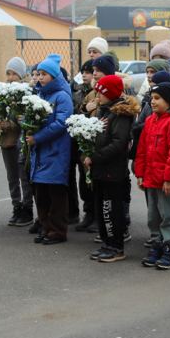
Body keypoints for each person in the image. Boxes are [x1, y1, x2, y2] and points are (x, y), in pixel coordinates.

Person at [85, 74, 139, 262]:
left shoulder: (120, 114)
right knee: (101, 208)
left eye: (100, 93)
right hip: (101, 170)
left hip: (112, 171)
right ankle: (107, 243)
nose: (97, 96)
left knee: (110, 209)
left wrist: (95, 157)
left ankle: (116, 246)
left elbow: (119, 143)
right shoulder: (104, 111)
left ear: (111, 94)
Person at [135, 74, 170, 270]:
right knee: (153, 216)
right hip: (151, 178)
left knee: (169, 214)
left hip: (166, 180)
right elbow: (142, 149)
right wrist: (140, 174)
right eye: (152, 99)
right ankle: (157, 244)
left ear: (168, 100)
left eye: (157, 99)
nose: (153, 102)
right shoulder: (150, 120)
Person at [28, 55, 74, 245]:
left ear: (54, 76)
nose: (40, 77)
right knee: (41, 193)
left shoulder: (62, 96)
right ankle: (46, 227)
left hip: (55, 151)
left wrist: (37, 137)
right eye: (38, 74)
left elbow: (61, 123)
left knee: (55, 194)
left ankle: (58, 230)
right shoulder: (40, 95)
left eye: (44, 74)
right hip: (39, 152)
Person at [0, 56, 35, 227]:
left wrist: (14, 119)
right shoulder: (3, 91)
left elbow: (28, 117)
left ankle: (27, 208)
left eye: (13, 74)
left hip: (21, 140)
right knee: (11, 177)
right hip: (6, 140)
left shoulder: (27, 92)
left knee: (24, 176)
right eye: (8, 73)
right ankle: (16, 206)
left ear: (22, 75)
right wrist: (0, 115)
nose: (9, 77)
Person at [69, 59, 97, 230]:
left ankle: (96, 214)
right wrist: (83, 108)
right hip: (80, 141)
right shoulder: (77, 92)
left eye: (89, 71)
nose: (86, 75)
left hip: (94, 141)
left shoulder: (98, 92)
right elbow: (74, 114)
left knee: (93, 179)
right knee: (83, 177)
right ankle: (88, 212)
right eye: (84, 72)